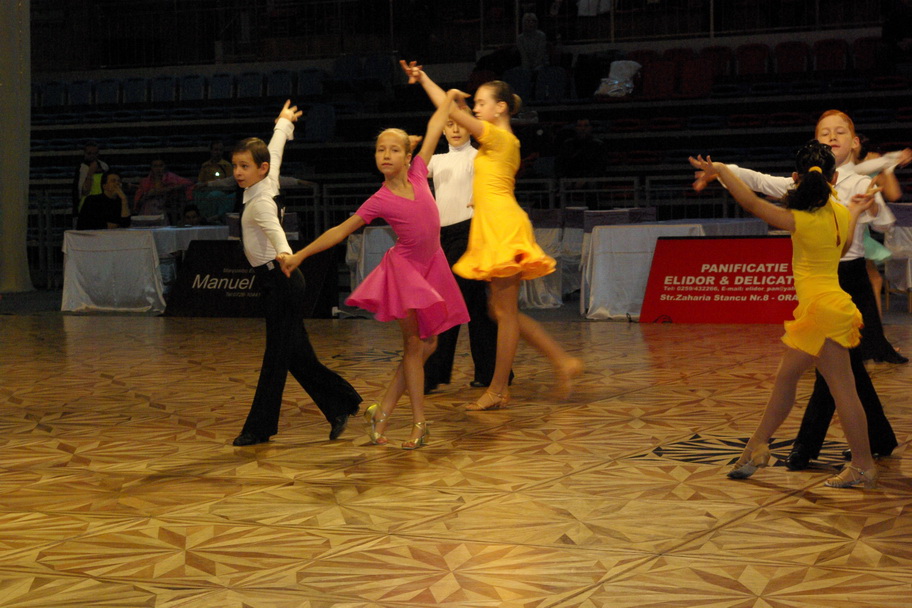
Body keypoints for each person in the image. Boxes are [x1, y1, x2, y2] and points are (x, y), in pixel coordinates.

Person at [692, 109, 899, 471]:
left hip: (819, 313)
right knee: (804, 385)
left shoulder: (797, 219)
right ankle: (757, 449)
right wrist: (853, 212)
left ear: (796, 178)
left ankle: (859, 466)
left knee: (832, 390)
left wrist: (722, 169)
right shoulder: (837, 212)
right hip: (833, 306)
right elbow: (843, 245)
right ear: (833, 178)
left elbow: (751, 201)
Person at [282, 103, 469, 449]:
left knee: (428, 344)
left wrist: (448, 97)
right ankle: (419, 423)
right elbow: (339, 231)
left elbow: (435, 125)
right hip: (406, 272)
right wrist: (300, 255)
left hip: (433, 266)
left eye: (394, 150)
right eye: (381, 150)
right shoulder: (380, 199)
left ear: (408, 156)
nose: (385, 155)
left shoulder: (419, 173)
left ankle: (381, 412)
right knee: (415, 346)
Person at [401, 60, 583, 410]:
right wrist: (425, 79)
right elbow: (453, 112)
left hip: (502, 223)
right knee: (500, 311)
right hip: (492, 223)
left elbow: (451, 110)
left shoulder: (497, 136)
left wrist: (428, 83)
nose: (476, 108)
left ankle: (500, 388)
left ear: (500, 108)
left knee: (504, 312)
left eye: (482, 103)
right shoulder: (497, 141)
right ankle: (562, 361)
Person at [231, 100, 362, 447]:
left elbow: (277, 234)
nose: (238, 172)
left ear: (260, 169)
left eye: (244, 166)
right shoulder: (266, 180)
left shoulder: (260, 202)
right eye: (236, 166)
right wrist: (283, 123)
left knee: (276, 358)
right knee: (296, 355)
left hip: (282, 280)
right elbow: (275, 151)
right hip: (276, 282)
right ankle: (342, 404)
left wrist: (287, 255)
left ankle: (259, 429)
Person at [420, 103, 511, 394]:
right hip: (442, 238)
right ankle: (491, 371)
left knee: (450, 302)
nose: (456, 130)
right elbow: (411, 175)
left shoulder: (479, 156)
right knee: (475, 306)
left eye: (460, 123)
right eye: (449, 125)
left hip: (471, 234)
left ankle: (434, 374)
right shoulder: (436, 161)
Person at [72, 141, 109, 218]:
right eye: (89, 153)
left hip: (102, 204)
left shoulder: (104, 166)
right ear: (84, 153)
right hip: (86, 206)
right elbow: (83, 190)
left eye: (95, 153)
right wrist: (91, 172)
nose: (92, 156)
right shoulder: (82, 168)